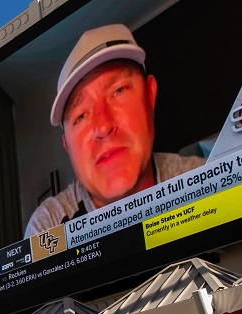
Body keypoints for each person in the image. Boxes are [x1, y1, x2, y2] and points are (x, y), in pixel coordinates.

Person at [25, 24, 205, 237]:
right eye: (80, 116)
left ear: (150, 95)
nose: (103, 126)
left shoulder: (205, 180)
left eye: (118, 91)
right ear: (67, 145)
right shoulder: (50, 228)